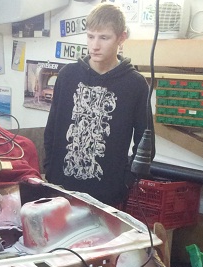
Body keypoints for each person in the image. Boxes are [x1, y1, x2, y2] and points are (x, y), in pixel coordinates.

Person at [43, 2, 153, 207]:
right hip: (61, 188)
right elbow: (51, 129)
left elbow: (146, 143)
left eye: (104, 37)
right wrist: (49, 169)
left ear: (121, 38)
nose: (95, 45)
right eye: (90, 36)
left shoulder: (135, 84)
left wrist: (126, 181)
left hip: (108, 195)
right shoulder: (67, 76)